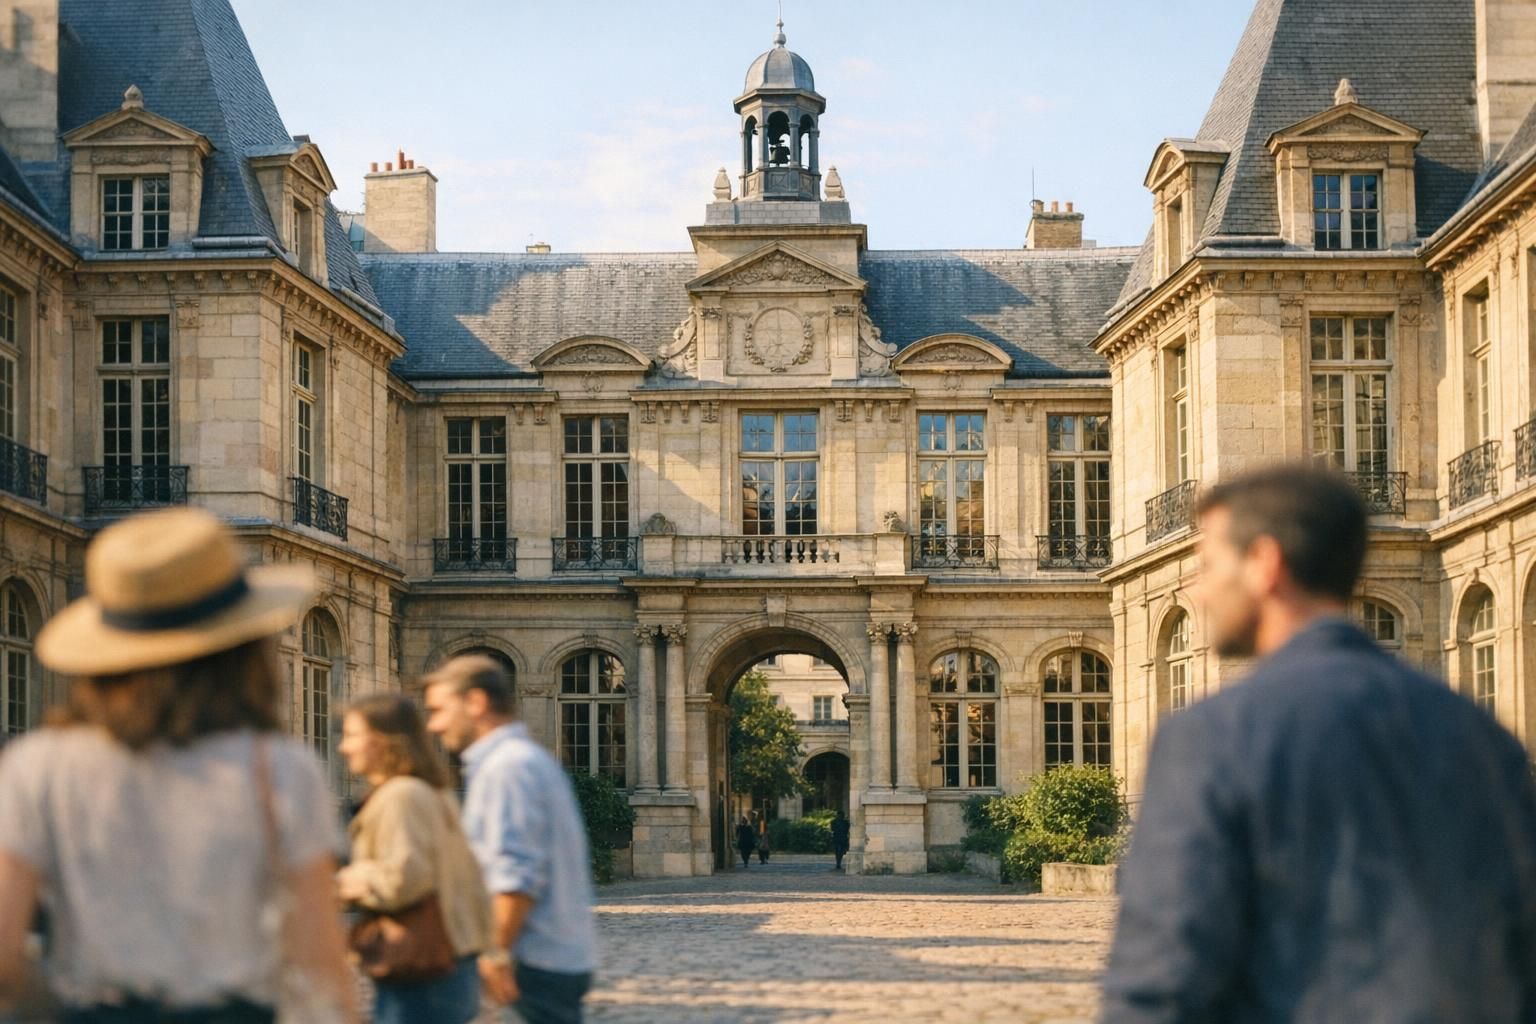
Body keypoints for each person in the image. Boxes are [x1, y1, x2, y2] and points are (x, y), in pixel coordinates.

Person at [1101, 465, 1536, 1023]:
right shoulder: (1478, 733)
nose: (1197, 587)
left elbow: (1161, 978)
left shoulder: (1213, 738)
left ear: (1264, 564)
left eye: (1208, 564)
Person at [0, 508, 357, 1023]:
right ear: (239, 645)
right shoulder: (277, 768)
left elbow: (6, 956)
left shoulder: (38, 767)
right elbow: (321, 966)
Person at [424, 655, 596, 1024]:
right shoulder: (521, 761)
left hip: (531, 962)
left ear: (476, 702)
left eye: (439, 709)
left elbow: (514, 875)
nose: (434, 724)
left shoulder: (508, 767)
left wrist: (495, 954)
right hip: (547, 959)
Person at [336, 694, 493, 1024]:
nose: (343, 747)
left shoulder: (402, 795)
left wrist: (347, 881)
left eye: (352, 735)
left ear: (382, 741)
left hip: (422, 968)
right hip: (446, 962)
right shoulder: (429, 791)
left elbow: (406, 878)